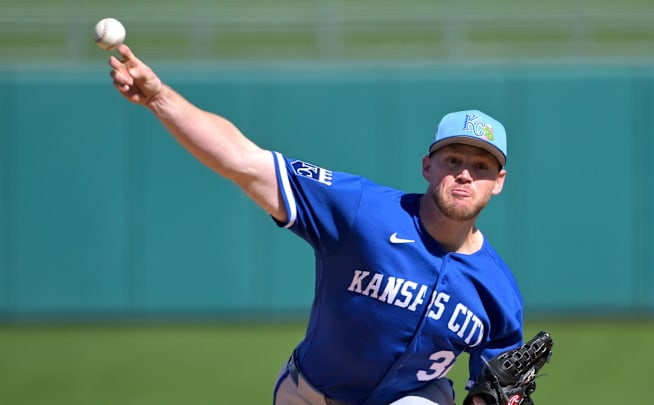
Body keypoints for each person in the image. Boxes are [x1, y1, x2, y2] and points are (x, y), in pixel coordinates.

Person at [108, 44, 525, 405]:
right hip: (307, 394)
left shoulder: (498, 294)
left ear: (499, 182)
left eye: (481, 165)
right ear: (427, 166)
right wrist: (159, 97)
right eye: (453, 160)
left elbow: (487, 391)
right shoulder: (363, 211)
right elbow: (244, 162)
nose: (465, 174)